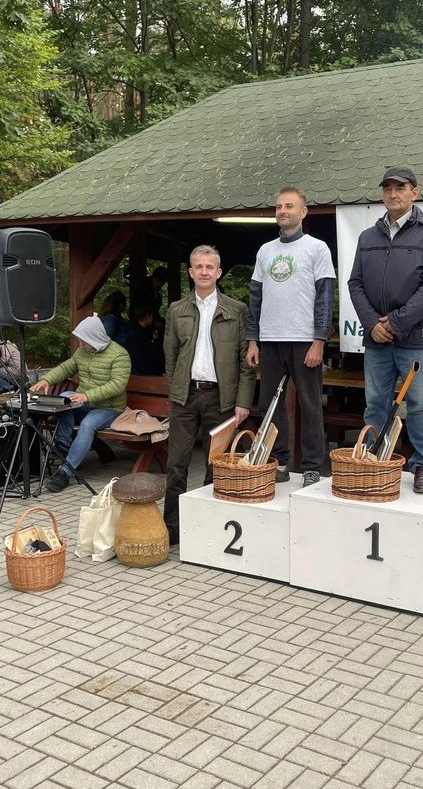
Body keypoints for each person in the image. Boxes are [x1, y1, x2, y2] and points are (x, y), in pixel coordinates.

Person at [347, 167, 423, 494]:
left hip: (416, 339)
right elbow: (355, 283)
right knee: (375, 402)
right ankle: (373, 460)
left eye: (400, 188)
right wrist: (372, 324)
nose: (393, 193)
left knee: (420, 403)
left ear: (414, 193)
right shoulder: (367, 236)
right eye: (388, 188)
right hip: (376, 339)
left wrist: (395, 322)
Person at [164, 245, 255, 544]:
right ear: (190, 272)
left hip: (221, 398)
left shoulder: (236, 310)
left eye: (209, 267)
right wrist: (175, 388)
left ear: (218, 272)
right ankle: (173, 530)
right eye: (198, 267)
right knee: (177, 464)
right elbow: (171, 354)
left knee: (215, 465)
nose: (203, 272)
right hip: (186, 396)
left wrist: (243, 401)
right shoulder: (176, 310)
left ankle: (207, 527)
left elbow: (246, 361)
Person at [245, 187, 335, 487]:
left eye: (290, 206)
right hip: (270, 340)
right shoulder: (265, 251)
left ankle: (311, 466)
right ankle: (279, 460)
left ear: (303, 211)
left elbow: (325, 297)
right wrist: (253, 339)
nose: (283, 211)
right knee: (270, 405)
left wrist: (319, 340)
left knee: (310, 404)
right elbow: (255, 297)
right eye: (279, 206)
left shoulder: (317, 248)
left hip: (304, 339)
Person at [31, 316, 132, 493]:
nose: (80, 345)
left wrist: (86, 395)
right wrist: (46, 380)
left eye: (83, 341)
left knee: (87, 425)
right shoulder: (82, 352)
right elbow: (65, 368)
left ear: (95, 338)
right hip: (84, 401)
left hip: (109, 408)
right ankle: (62, 445)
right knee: (64, 399)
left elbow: (117, 385)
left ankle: (65, 473)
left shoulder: (120, 355)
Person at [122, 304, 164, 376]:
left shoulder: (143, 331)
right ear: (147, 316)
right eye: (151, 315)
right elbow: (138, 361)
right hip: (141, 374)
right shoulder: (134, 335)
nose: (153, 318)